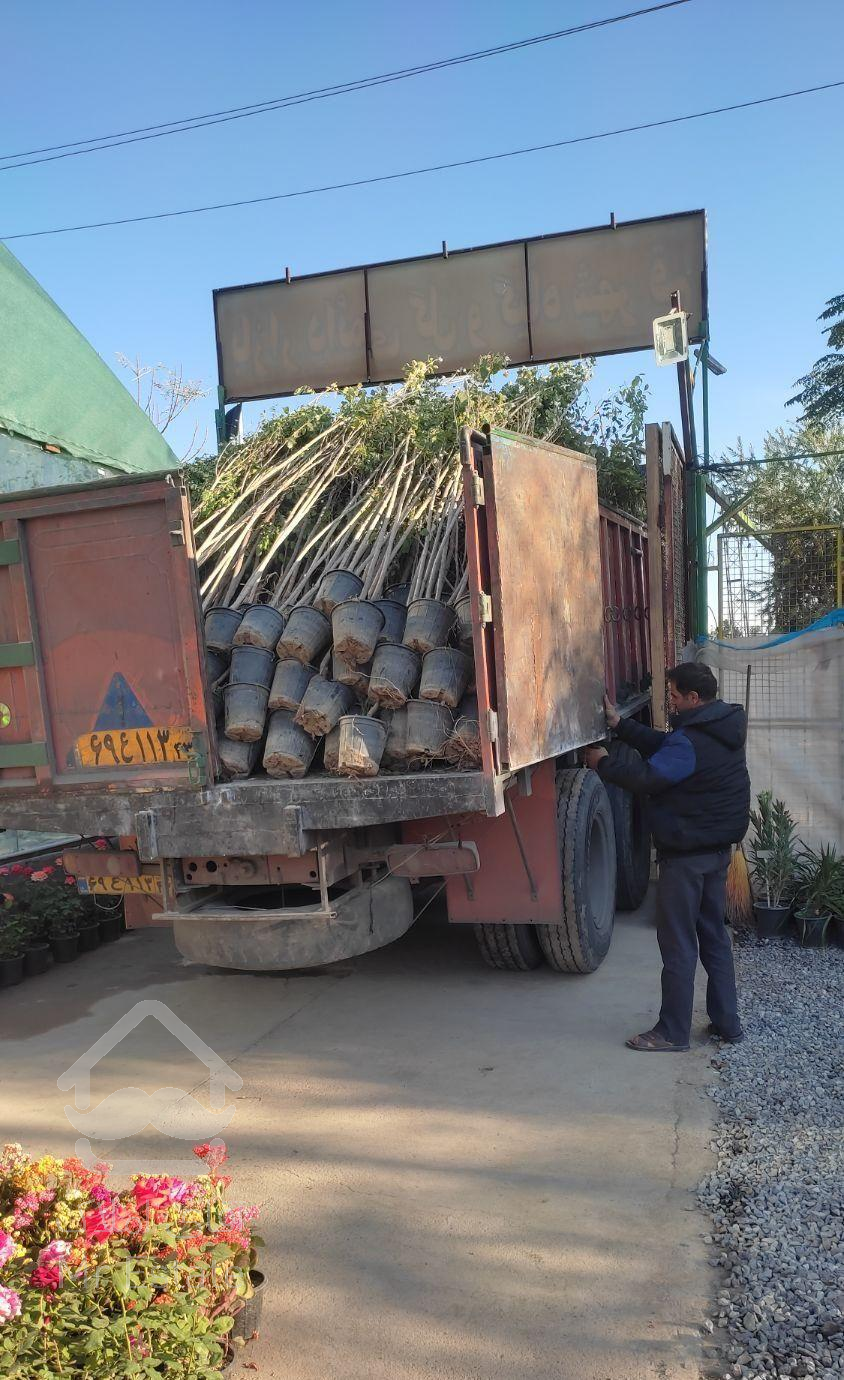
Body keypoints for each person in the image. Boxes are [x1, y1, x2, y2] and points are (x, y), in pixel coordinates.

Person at [583, 663, 750, 1052]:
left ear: (694, 698)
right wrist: (620, 724)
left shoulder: (689, 741)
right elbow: (665, 746)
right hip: (715, 855)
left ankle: (673, 1032)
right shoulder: (720, 727)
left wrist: (603, 763)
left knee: (677, 944)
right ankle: (728, 1023)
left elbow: (647, 778)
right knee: (713, 938)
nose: (670, 702)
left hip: (685, 858)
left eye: (674, 695)